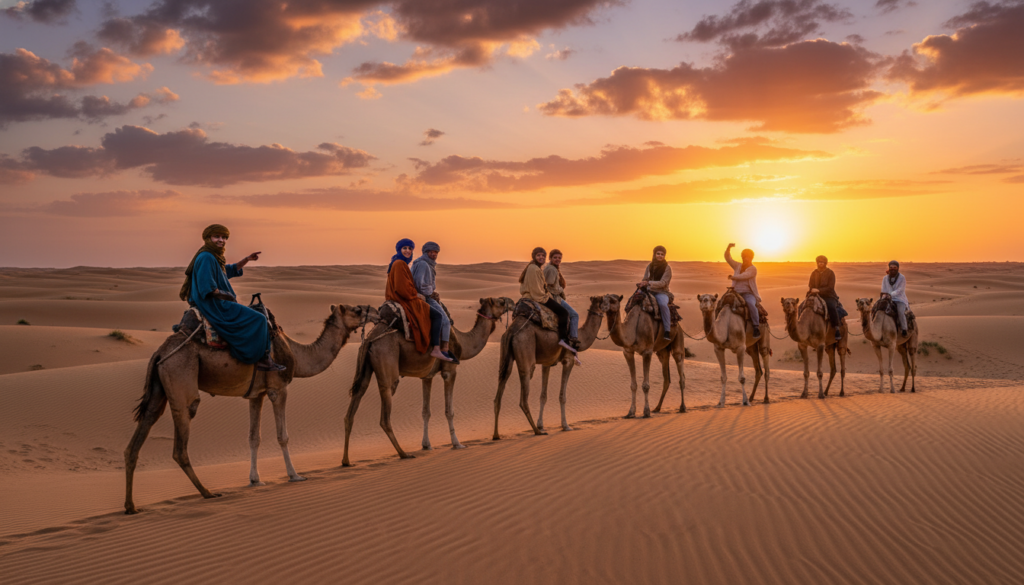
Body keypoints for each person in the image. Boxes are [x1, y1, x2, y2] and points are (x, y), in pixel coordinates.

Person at [179, 223, 285, 371]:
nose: (221, 240)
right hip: (215, 305)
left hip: (216, 301)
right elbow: (207, 287)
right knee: (259, 319)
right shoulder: (207, 257)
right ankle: (262, 359)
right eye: (217, 236)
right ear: (208, 238)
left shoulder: (213, 256)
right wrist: (227, 295)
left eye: (223, 237)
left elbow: (226, 271)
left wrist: (247, 259)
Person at [386, 238, 453, 362]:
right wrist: (419, 295)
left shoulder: (402, 263)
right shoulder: (404, 264)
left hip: (410, 296)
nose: (407, 251)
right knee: (440, 317)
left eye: (410, 248)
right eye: (404, 248)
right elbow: (406, 287)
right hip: (408, 298)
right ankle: (438, 349)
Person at [520, 247, 581, 365]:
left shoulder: (539, 268)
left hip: (541, 295)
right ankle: (568, 340)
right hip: (545, 296)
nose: (558, 259)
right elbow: (544, 287)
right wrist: (548, 296)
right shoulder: (547, 269)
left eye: (559, 258)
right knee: (570, 314)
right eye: (539, 255)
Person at [411, 241, 458, 363]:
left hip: (426, 295)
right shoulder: (423, 265)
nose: (434, 254)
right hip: (424, 297)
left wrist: (433, 291)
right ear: (426, 252)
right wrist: (430, 293)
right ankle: (443, 350)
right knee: (445, 321)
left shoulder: (425, 263)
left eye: (436, 252)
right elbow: (419, 284)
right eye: (431, 252)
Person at [724, 243, 762, 338]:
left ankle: (756, 327)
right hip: (735, 293)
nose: (745, 259)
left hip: (747, 294)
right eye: (743, 257)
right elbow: (728, 259)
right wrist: (728, 248)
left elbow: (744, 276)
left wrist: (733, 277)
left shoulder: (753, 269)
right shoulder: (737, 266)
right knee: (722, 303)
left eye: (747, 257)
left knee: (750, 304)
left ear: (751, 258)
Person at [636, 245, 673, 341]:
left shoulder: (667, 268)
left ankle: (667, 331)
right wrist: (643, 283)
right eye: (658, 254)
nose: (660, 256)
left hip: (662, 292)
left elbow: (663, 283)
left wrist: (649, 283)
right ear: (654, 254)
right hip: (649, 291)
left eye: (662, 254)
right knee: (635, 298)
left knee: (662, 304)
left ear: (664, 256)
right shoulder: (649, 266)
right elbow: (645, 278)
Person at [543, 249, 579, 344]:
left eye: (559, 258)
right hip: (554, 298)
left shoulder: (549, 268)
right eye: (555, 257)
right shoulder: (552, 269)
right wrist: (560, 289)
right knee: (574, 315)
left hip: (551, 297)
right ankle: (573, 338)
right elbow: (549, 286)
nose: (557, 259)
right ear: (550, 258)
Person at [809, 255, 843, 342]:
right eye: (819, 262)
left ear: (825, 263)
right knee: (803, 306)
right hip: (815, 295)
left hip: (828, 295)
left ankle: (836, 328)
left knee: (831, 306)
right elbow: (810, 284)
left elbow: (830, 287)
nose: (821, 263)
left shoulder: (830, 273)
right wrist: (812, 289)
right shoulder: (814, 273)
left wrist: (819, 290)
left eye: (822, 262)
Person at [881, 260, 909, 337]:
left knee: (900, 311)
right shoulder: (885, 278)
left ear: (898, 268)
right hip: (887, 298)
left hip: (899, 298)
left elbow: (900, 290)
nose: (893, 269)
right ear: (889, 268)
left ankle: (904, 329)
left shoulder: (902, 278)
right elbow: (883, 289)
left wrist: (890, 294)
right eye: (891, 267)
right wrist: (884, 297)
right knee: (877, 309)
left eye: (894, 267)